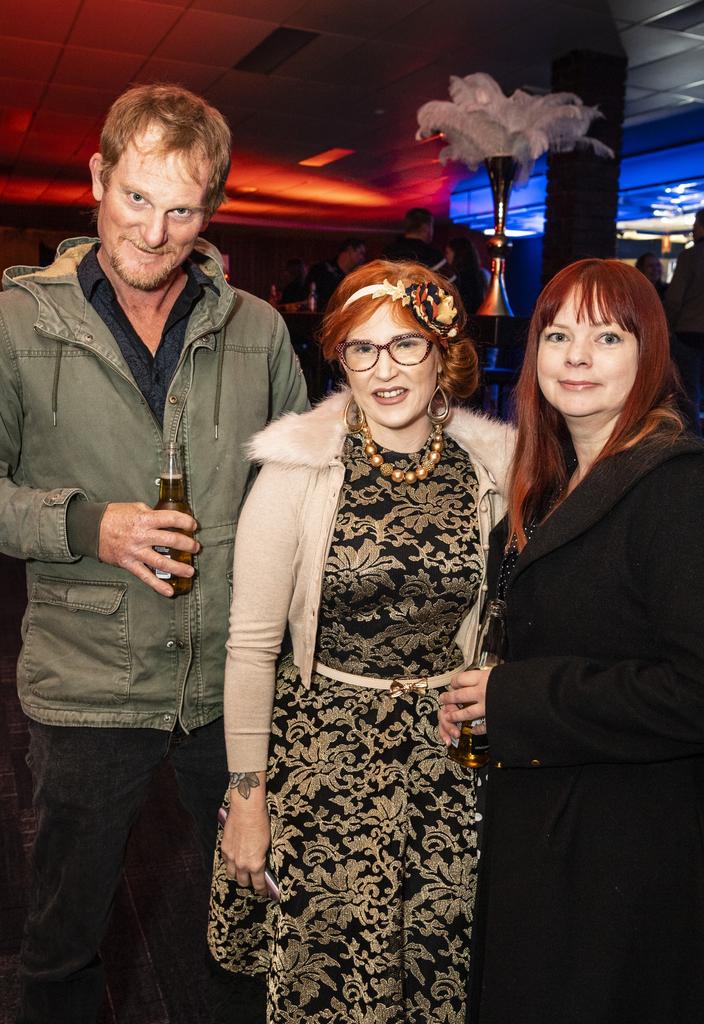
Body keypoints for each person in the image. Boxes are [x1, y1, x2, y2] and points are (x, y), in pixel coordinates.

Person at [0, 83, 307, 1024]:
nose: (153, 231)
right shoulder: (9, 328)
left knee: (249, 924)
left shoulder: (258, 330)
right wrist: (85, 525)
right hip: (89, 682)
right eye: (136, 197)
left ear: (211, 210)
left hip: (232, 678)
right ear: (97, 177)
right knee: (65, 942)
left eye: (182, 208)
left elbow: (303, 492)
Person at [208, 258, 514, 1022]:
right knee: (334, 980)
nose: (384, 369)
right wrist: (248, 799)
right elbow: (250, 649)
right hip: (327, 764)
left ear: (442, 351)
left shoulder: (494, 470)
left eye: (405, 345)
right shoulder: (296, 466)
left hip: (450, 766)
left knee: (438, 977)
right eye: (361, 348)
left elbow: (508, 615)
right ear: (339, 357)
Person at [438, 258, 704, 1024]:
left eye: (607, 336)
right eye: (557, 334)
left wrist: (516, 698)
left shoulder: (677, 486)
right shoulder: (552, 479)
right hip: (549, 821)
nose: (577, 356)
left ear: (649, 352)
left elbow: (694, 691)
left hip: (625, 843)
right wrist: (488, 702)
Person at [665, 209, 704, 434]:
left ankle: (693, 448)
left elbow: (674, 298)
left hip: (689, 333)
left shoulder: (690, 257)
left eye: (696, 224)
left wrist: (668, 327)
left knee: (687, 395)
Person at [305, 237, 367, 310]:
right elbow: (308, 296)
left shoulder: (356, 276)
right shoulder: (321, 269)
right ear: (350, 250)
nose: (363, 258)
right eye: (361, 253)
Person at [445, 237, 488, 314]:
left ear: (457, 254)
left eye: (448, 252)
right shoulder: (481, 275)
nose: (446, 257)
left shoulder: (458, 279)